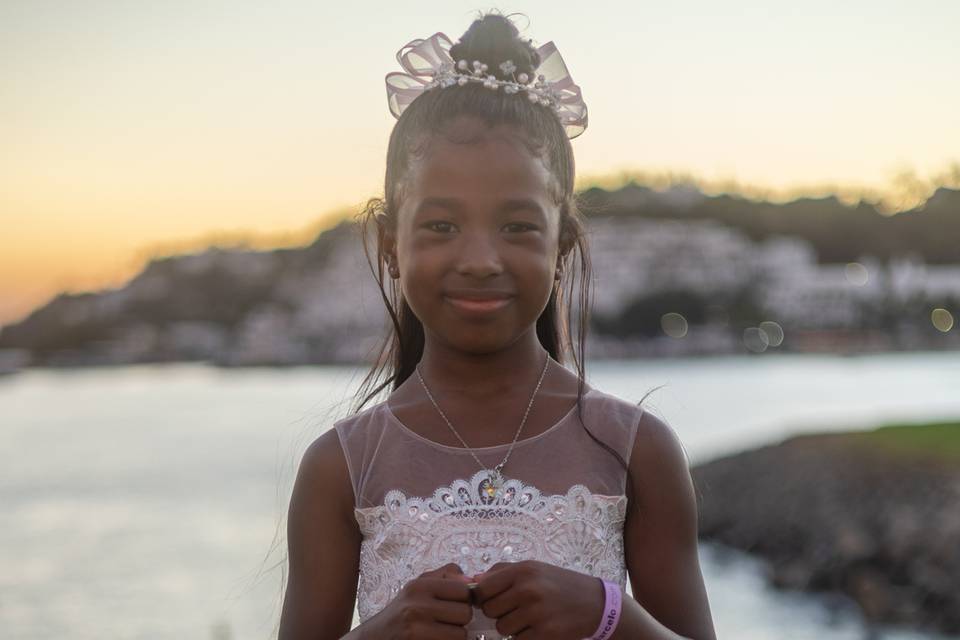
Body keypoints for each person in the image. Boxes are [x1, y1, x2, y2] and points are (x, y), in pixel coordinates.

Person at [279, 11, 716, 640]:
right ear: (390, 246)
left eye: (516, 226)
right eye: (441, 226)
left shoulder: (636, 449)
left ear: (561, 244)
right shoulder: (339, 468)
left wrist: (607, 617)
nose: (480, 260)